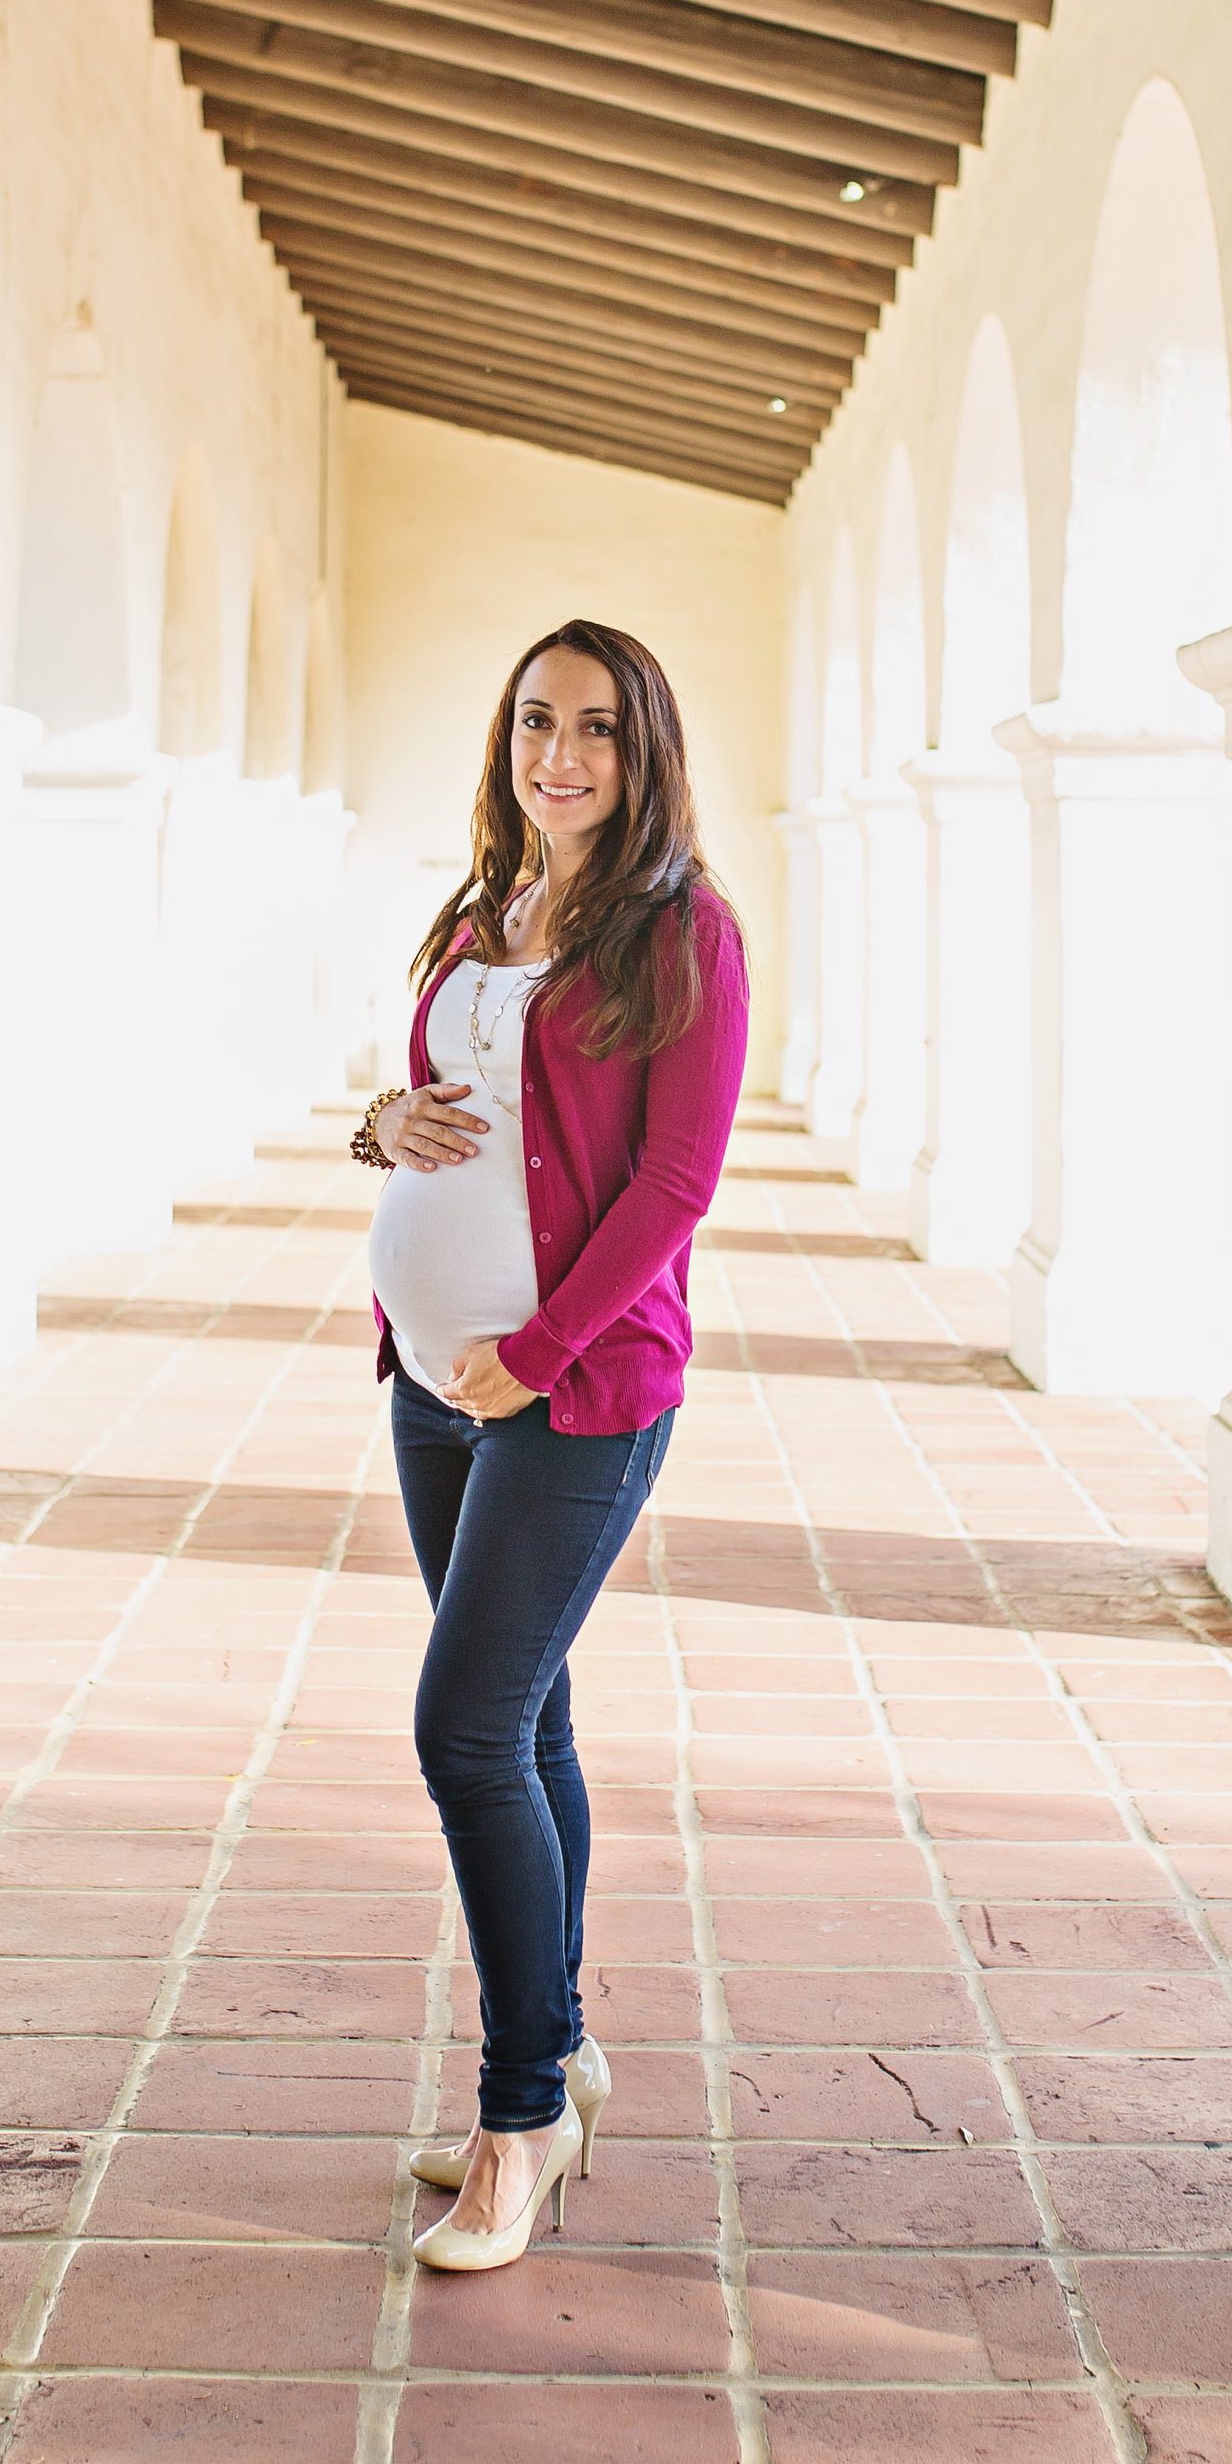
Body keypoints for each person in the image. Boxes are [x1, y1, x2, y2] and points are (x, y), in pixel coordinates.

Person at [352, 619, 749, 2275]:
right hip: (430, 1382)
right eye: (533, 721)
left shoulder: (684, 937)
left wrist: (533, 1354)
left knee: (465, 1729)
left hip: (572, 1394)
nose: (557, 753)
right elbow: (440, 1107)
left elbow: (674, 1186)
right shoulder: (480, 912)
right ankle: (562, 2039)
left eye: (592, 727)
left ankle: (524, 2116)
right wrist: (377, 1125)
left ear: (641, 749)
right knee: (534, 1721)